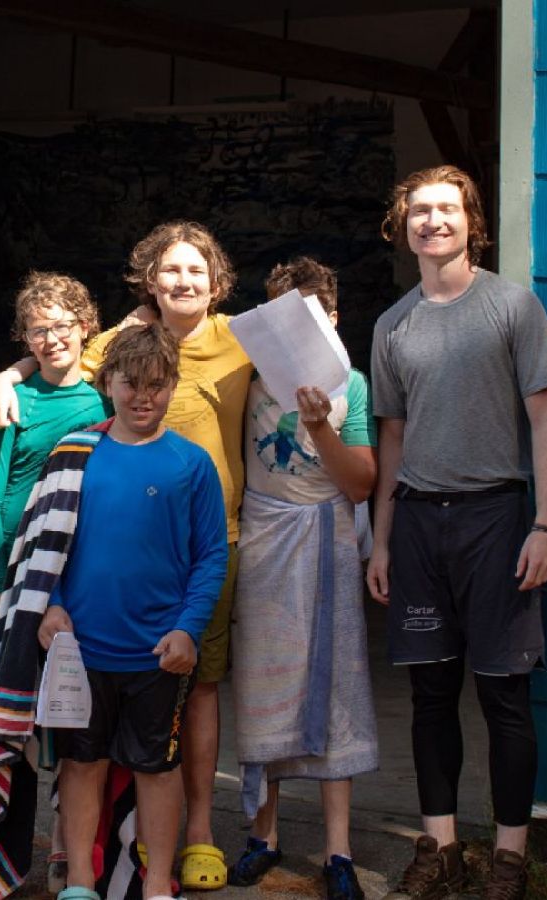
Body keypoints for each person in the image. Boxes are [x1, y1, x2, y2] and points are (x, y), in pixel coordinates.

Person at [0, 222, 253, 890]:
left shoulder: (191, 466)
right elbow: (46, 547)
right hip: (83, 647)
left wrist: (188, 627)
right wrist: (47, 608)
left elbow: (209, 557)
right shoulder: (75, 453)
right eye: (129, 384)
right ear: (108, 383)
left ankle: (158, 881)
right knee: (81, 764)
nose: (143, 395)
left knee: (157, 769)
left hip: (157, 650)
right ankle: (78, 879)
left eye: (157, 385)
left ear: (172, 385)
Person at [368, 165, 547, 900]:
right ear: (404, 224)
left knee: (504, 697)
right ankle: (440, 849)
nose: (433, 222)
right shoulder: (393, 324)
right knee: (429, 695)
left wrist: (545, 523)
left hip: (496, 518)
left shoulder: (512, 307)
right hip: (419, 522)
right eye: (419, 210)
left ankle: (508, 858)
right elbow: (392, 439)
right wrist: (381, 539)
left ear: (471, 220)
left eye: (447, 209)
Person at [0, 272, 107, 894]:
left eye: (63, 325)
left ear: (86, 327)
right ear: (24, 336)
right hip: (12, 574)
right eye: (37, 329)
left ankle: (68, 854)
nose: (51, 338)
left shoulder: (102, 402)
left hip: (73, 572)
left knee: (68, 714)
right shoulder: (12, 398)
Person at [227, 258, 378, 900]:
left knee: (335, 681)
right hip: (262, 539)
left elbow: (362, 483)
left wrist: (319, 425)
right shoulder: (247, 378)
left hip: (325, 537)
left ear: (333, 320)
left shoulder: (353, 386)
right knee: (264, 683)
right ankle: (265, 833)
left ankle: (337, 847)